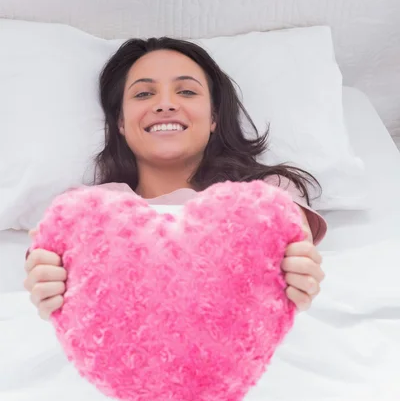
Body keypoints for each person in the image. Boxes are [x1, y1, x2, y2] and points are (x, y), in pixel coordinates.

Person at [24, 37, 326, 319]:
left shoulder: (265, 194)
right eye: (144, 94)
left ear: (213, 118)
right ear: (120, 122)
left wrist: (298, 274)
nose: (165, 104)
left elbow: (294, 250)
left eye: (187, 91)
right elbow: (52, 270)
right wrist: (47, 280)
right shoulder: (87, 208)